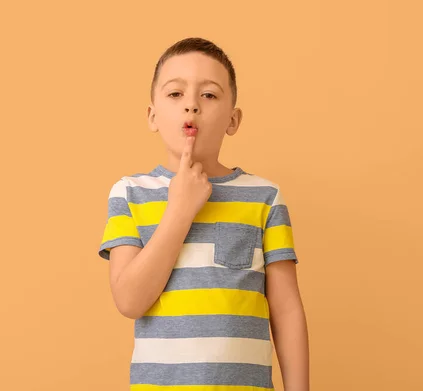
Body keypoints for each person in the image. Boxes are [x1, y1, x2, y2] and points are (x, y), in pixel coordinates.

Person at [98, 37, 309, 391]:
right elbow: (129, 300)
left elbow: (287, 311)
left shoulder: (265, 198)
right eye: (175, 94)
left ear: (233, 119)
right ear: (152, 115)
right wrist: (180, 210)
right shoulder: (130, 193)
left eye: (208, 95)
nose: (191, 106)